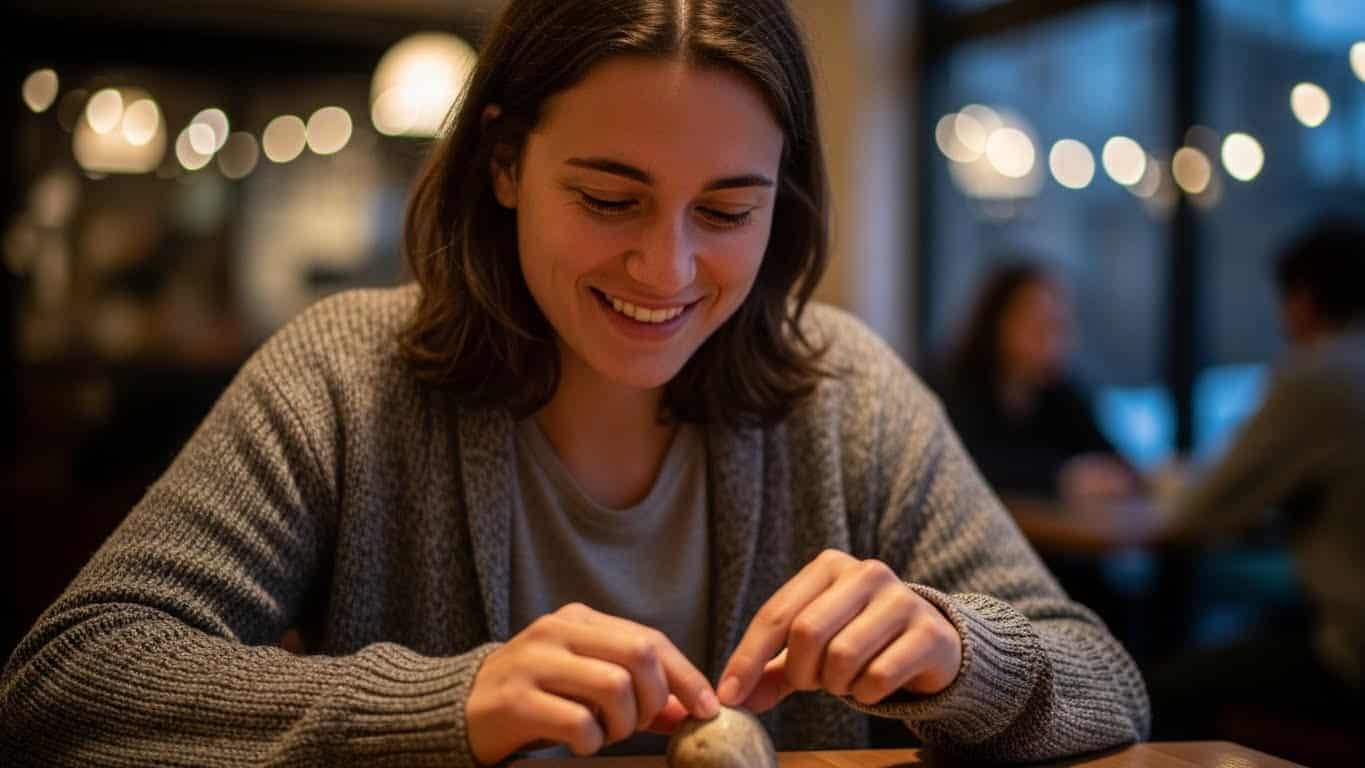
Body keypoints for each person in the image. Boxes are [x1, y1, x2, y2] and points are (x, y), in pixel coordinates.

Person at [0, 1, 1149, 764]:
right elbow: (69, 681)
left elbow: (1108, 684)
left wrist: (958, 648)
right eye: (609, 199)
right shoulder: (348, 377)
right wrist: (444, 707)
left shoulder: (844, 389)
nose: (669, 269)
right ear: (504, 162)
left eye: (728, 211)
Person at [1149, 218, 1365, 748]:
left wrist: (1171, 481)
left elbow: (1198, 512)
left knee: (1153, 687)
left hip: (1350, 651)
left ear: (1303, 300)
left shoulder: (1318, 375)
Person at [933, 262, 1140, 504]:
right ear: (997, 322)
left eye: (1058, 325)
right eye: (1037, 324)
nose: (1051, 340)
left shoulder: (1060, 393)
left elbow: (1115, 461)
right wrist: (1064, 478)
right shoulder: (952, 388)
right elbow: (967, 467)